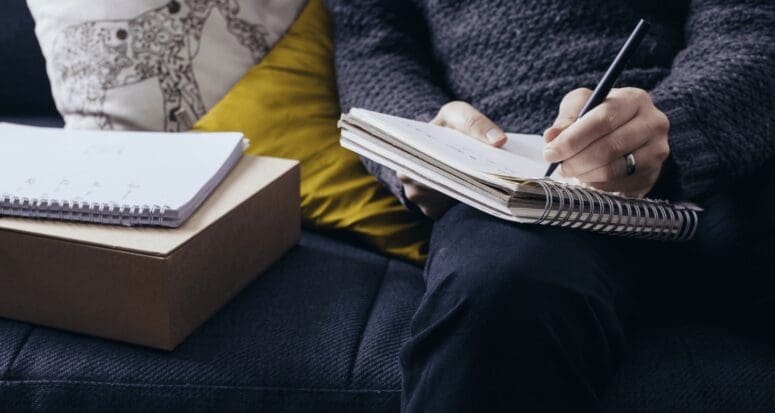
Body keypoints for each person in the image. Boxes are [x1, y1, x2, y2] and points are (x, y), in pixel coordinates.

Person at [325, 0, 775, 411]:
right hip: (513, 180)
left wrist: (675, 123)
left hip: (709, 159)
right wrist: (424, 143)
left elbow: (751, 27)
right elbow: (370, 45)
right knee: (500, 290)